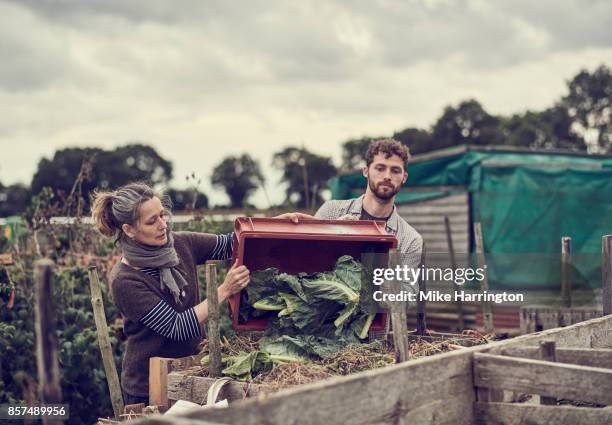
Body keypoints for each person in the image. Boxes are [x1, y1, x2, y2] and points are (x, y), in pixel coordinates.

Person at [91, 182, 310, 406]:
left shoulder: (180, 244)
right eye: (152, 221)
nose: (163, 225)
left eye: (162, 215)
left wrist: (275, 224)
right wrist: (224, 290)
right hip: (149, 388)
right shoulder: (125, 280)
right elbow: (177, 327)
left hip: (191, 370)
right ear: (129, 230)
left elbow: (230, 244)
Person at [315, 139, 424, 333]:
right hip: (320, 326)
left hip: (371, 339)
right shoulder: (331, 212)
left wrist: (389, 287)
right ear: (366, 171)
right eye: (380, 168)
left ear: (404, 177)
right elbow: (305, 264)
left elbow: (408, 294)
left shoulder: (410, 240)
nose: (387, 176)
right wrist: (333, 234)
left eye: (395, 171)